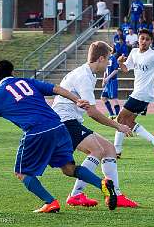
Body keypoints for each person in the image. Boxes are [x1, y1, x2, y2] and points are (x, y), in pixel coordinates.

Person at [0, 60, 118, 212]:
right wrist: (76, 99)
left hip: (37, 131)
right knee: (68, 168)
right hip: (59, 126)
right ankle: (102, 184)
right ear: (12, 72)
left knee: (21, 172)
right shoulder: (26, 82)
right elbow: (56, 88)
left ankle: (50, 202)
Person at [52, 41, 139, 208]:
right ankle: (76, 195)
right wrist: (118, 126)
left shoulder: (88, 74)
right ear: (100, 58)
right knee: (97, 150)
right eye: (107, 60)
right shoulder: (84, 76)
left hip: (71, 120)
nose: (108, 64)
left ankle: (117, 196)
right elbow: (92, 112)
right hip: (64, 121)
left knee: (110, 149)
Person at [114, 29, 154, 159]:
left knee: (120, 119)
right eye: (142, 38)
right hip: (140, 93)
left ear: (151, 42)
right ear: (138, 39)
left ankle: (116, 151)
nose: (144, 41)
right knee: (128, 122)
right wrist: (120, 62)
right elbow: (126, 69)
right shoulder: (134, 52)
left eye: (147, 39)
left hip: (142, 93)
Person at [101, 49, 121, 118]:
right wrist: (104, 79)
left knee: (114, 99)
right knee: (103, 97)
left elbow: (116, 70)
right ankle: (112, 114)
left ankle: (118, 116)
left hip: (112, 81)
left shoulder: (113, 58)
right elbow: (105, 70)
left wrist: (108, 78)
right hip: (108, 81)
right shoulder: (107, 59)